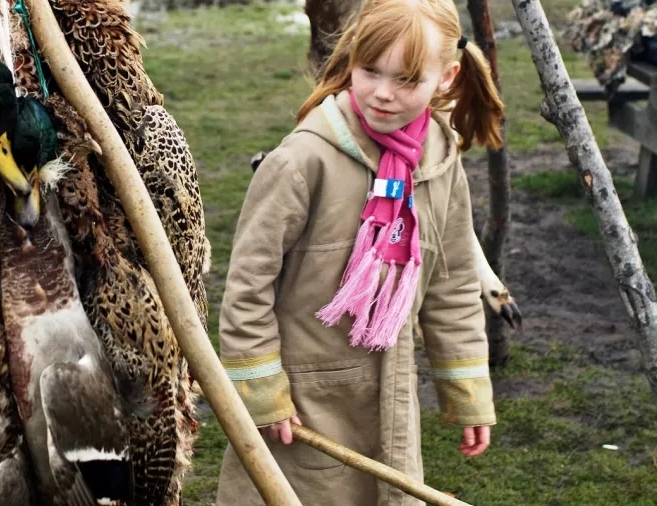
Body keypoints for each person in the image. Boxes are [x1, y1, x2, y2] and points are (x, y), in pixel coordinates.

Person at [215, 0, 503, 504]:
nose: (383, 94)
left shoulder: (441, 161)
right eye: (370, 71)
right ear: (352, 58)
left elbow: (453, 283)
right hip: (303, 401)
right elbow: (248, 284)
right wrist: (262, 392)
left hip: (388, 396)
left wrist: (469, 394)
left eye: (407, 80)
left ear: (446, 76)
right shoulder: (303, 160)